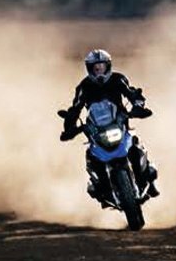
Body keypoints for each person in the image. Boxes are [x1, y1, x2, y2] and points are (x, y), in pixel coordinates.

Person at [57, 48, 159, 201]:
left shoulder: (118, 79)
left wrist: (138, 107)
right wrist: (69, 127)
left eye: (101, 67)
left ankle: (147, 180)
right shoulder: (84, 86)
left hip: (119, 123)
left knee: (135, 148)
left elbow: (132, 94)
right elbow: (75, 108)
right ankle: (102, 189)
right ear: (89, 69)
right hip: (97, 128)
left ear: (108, 66)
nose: (99, 71)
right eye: (95, 68)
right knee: (92, 157)